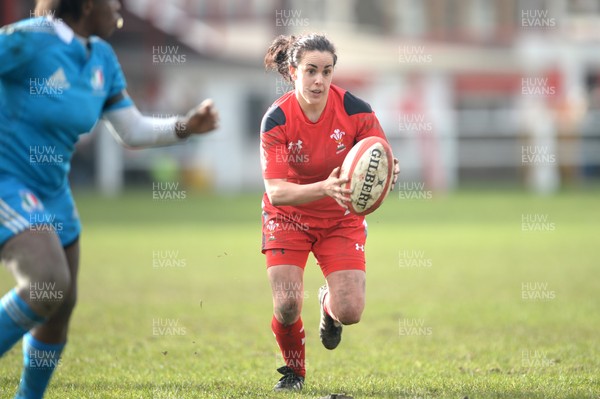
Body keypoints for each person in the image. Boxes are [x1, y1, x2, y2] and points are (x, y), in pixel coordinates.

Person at [0, 1, 218, 398]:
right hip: (7, 181)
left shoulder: (100, 56)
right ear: (86, 5)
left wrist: (186, 126)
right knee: (48, 281)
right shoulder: (28, 40)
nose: (119, 7)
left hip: (53, 192)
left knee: (60, 306)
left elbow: (131, 130)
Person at [260, 33, 399, 391]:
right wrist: (324, 187)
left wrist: (388, 171)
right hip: (288, 216)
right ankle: (294, 372)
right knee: (288, 304)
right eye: (310, 71)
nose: (319, 80)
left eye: (326, 71)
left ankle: (327, 304)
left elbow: (379, 157)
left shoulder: (356, 110)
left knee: (350, 311)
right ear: (293, 72)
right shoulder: (276, 119)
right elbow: (276, 190)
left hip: (340, 219)